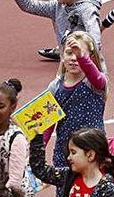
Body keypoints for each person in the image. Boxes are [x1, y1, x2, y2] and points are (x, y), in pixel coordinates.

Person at [41, 32, 108, 170]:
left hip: (92, 152)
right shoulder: (55, 87)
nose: (73, 58)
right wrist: (37, 151)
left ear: (90, 57)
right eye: (69, 53)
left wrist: (81, 57)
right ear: (62, 55)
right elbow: (47, 125)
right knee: (65, 191)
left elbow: (97, 78)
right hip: (65, 153)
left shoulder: (93, 83)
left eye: (78, 53)